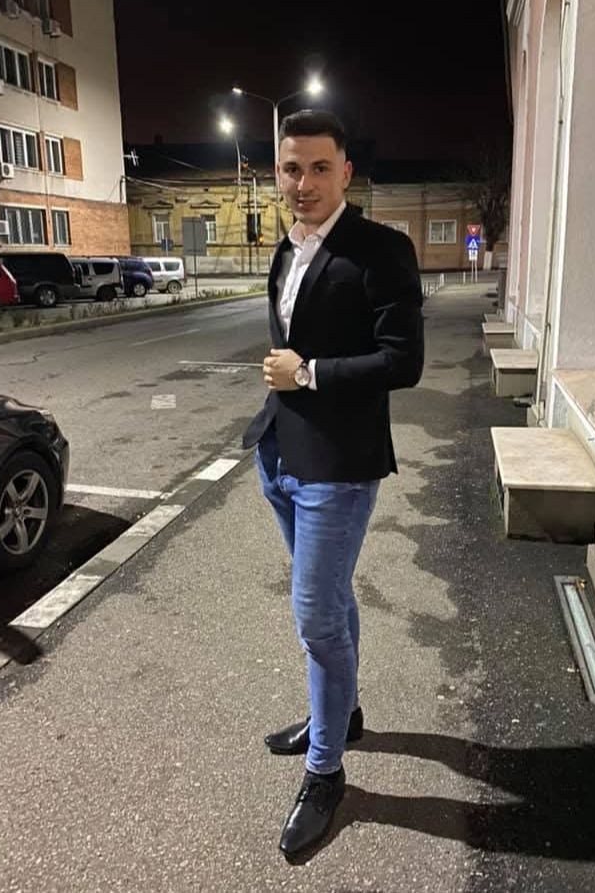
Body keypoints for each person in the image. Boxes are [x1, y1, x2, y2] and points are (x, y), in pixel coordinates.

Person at [242, 109, 424, 858]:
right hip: (280, 452)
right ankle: (339, 717)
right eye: (291, 168)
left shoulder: (381, 249)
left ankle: (325, 772)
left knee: (316, 615)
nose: (303, 182)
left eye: (320, 167)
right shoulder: (285, 247)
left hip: (340, 465)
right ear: (277, 173)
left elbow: (403, 361)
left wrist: (310, 373)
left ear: (346, 172)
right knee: (331, 597)